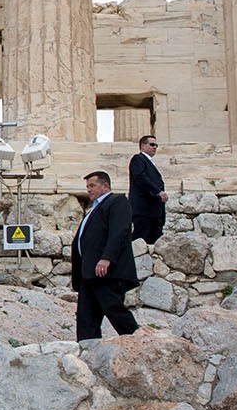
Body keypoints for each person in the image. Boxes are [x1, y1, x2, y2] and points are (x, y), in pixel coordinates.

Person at [71, 170, 139, 341]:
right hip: (89, 273)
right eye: (87, 187)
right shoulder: (93, 209)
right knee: (86, 317)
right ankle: (88, 349)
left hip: (106, 272)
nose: (89, 190)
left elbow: (119, 231)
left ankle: (137, 339)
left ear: (105, 185)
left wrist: (107, 257)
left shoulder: (116, 202)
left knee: (113, 308)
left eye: (92, 186)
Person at [127, 133, 168, 246]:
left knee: (153, 241)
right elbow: (140, 177)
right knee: (140, 240)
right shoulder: (138, 159)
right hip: (144, 210)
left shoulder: (149, 162)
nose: (155, 147)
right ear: (143, 146)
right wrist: (158, 191)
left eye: (156, 145)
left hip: (154, 211)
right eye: (152, 144)